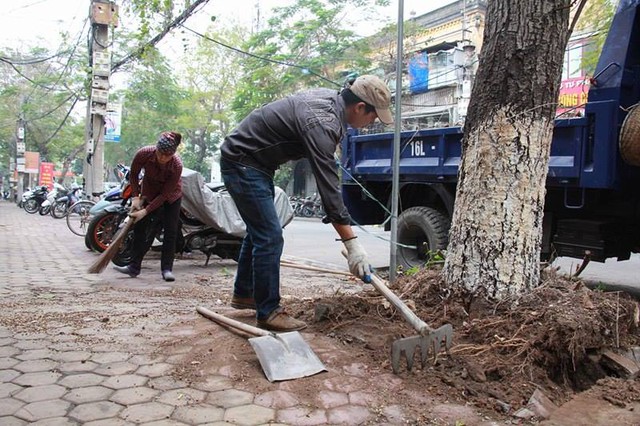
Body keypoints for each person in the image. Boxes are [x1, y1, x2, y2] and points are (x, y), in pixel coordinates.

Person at [220, 74, 393, 332]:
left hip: (254, 162)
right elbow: (329, 191)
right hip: (243, 162)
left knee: (260, 232)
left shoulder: (329, 101)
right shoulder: (323, 124)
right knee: (270, 236)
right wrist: (353, 245)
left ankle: (246, 293)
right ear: (359, 107)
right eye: (373, 116)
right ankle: (269, 312)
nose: (372, 122)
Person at [114, 131, 183, 282]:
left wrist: (145, 211)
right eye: (160, 153)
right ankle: (134, 267)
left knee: (170, 232)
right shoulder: (144, 153)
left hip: (171, 196)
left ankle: (167, 269)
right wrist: (135, 198)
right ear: (156, 149)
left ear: (173, 154)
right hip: (149, 192)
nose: (163, 158)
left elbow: (165, 194)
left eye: (167, 155)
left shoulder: (177, 165)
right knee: (140, 228)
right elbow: (133, 175)